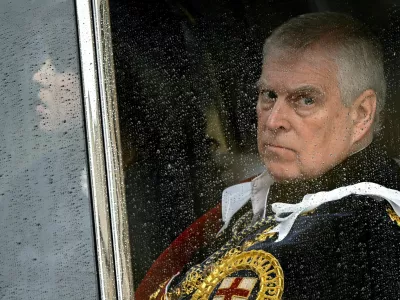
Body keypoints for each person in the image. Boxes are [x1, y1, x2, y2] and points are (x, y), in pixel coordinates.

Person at [144, 12, 400, 300]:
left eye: (305, 100)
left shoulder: (362, 235)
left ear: (361, 114)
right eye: (268, 95)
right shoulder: (263, 198)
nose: (273, 120)